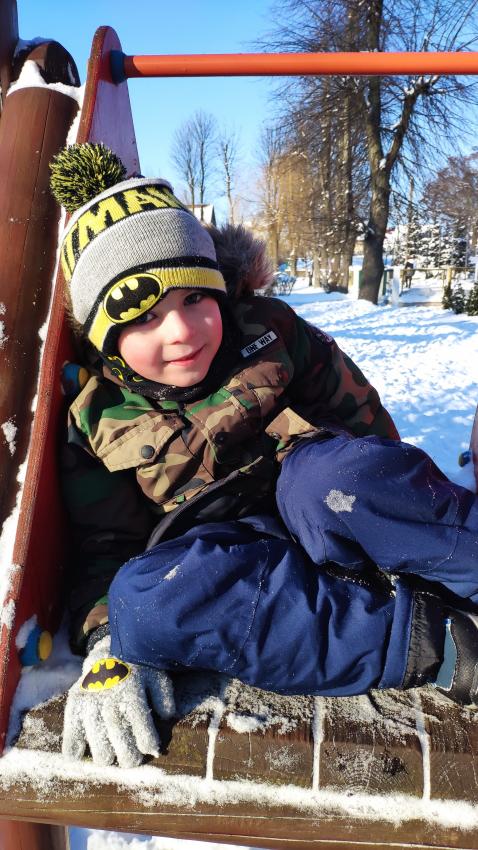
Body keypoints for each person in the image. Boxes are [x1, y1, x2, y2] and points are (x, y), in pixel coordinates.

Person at [50, 143, 478, 770]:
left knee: (335, 476)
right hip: (232, 557)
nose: (181, 331)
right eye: (146, 317)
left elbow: (367, 424)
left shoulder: (272, 333)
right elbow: (105, 547)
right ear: (106, 339)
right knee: (143, 600)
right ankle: (438, 643)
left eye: (194, 299)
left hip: (321, 500)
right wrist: (107, 640)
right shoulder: (97, 418)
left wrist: (391, 505)